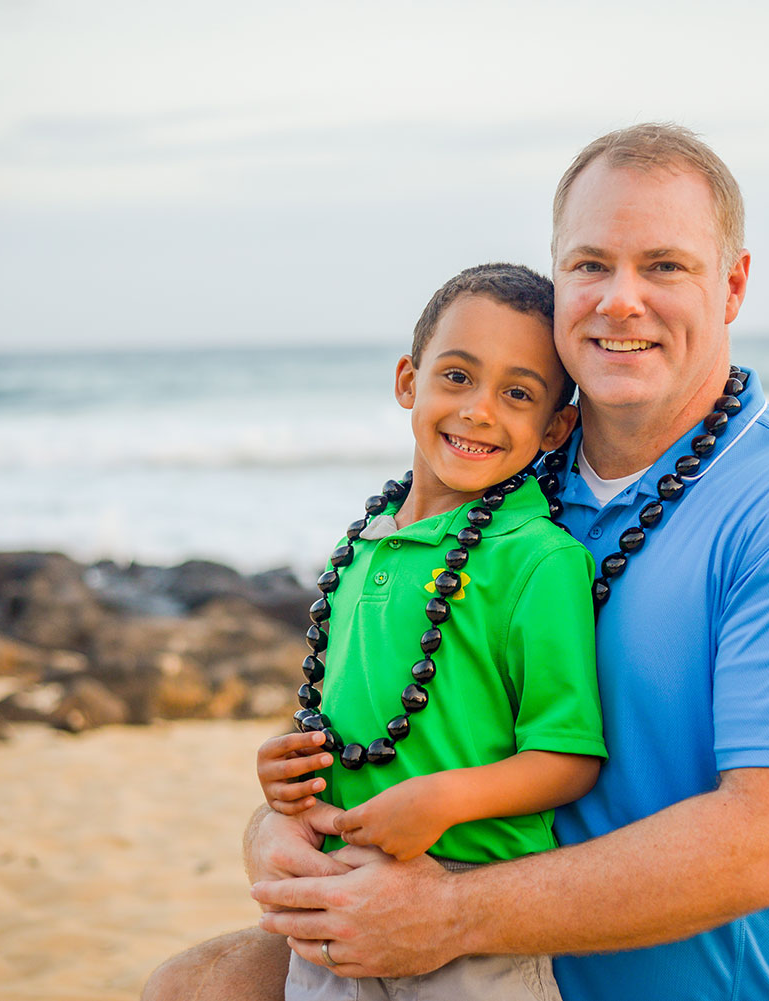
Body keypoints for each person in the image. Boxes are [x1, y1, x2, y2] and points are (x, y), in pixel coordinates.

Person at [144, 123, 769, 1001]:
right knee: (195, 985)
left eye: (664, 265)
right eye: (589, 265)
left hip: (685, 978)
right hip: (485, 955)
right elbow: (390, 725)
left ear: (732, 284)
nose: (621, 299)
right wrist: (274, 830)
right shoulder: (499, 482)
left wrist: (451, 913)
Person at [257, 262, 606, 1000]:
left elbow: (569, 757)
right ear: (408, 382)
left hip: (472, 917)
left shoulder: (539, 560)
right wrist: (288, 777)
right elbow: (348, 724)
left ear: (555, 427)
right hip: (338, 902)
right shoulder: (364, 547)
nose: (480, 410)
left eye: (518, 393)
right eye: (457, 376)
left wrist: (444, 800)